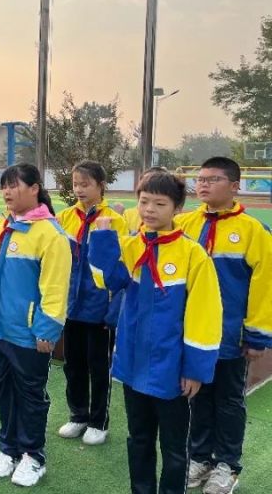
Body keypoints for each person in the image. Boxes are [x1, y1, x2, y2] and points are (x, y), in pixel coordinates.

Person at [89, 171, 222, 494]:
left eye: (160, 204)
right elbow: (106, 280)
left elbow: (205, 315)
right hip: (133, 363)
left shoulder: (192, 255)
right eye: (144, 201)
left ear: (178, 208)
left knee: (174, 448)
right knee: (139, 438)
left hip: (171, 368)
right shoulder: (131, 246)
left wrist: (195, 369)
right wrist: (103, 239)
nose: (149, 209)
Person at [0, 163, 72, 487]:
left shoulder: (50, 234)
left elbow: (55, 289)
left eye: (14, 185)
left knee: (30, 395)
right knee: (4, 390)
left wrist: (47, 330)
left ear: (35, 188)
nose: (7, 192)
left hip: (28, 334)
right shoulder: (2, 224)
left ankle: (33, 455)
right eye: (4, 185)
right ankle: (8, 448)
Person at [176, 157, 272, 494]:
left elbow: (264, 286)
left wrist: (257, 335)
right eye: (200, 179)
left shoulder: (254, 231)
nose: (203, 184)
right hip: (192, 334)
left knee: (229, 400)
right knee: (197, 395)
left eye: (213, 179)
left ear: (234, 186)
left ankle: (227, 465)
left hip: (231, 334)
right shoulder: (184, 224)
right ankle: (200, 457)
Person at [55, 160, 127, 446]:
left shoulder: (115, 220)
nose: (79, 189)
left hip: (100, 309)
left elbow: (121, 268)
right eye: (75, 184)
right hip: (71, 306)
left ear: (101, 185)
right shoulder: (64, 218)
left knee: (99, 367)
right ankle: (78, 415)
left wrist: (113, 308)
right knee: (73, 365)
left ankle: (99, 421)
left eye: (85, 184)